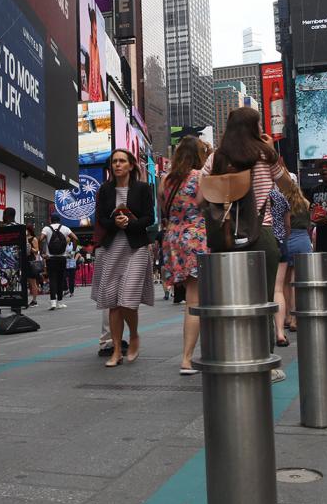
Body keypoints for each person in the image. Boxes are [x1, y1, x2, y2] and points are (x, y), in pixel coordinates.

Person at [201, 107, 296, 382]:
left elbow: (200, 195)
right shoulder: (265, 154)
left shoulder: (216, 157)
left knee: (227, 301)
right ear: (255, 127)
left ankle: (229, 357)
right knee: (262, 301)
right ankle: (263, 364)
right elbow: (288, 187)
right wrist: (273, 152)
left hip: (225, 235)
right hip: (260, 234)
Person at [92, 149, 155, 367]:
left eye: (122, 161)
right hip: (112, 247)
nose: (118, 165)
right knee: (113, 302)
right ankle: (116, 350)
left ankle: (134, 335)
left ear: (131, 165)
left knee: (127, 298)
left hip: (136, 246)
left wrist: (130, 223)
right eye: (114, 162)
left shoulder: (143, 189)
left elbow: (150, 217)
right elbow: (100, 218)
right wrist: (115, 223)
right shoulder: (105, 190)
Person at [160, 136, 208, 375]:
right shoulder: (200, 177)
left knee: (194, 298)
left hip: (173, 239)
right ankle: (187, 359)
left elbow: (164, 209)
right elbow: (203, 203)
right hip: (196, 238)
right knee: (195, 300)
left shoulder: (165, 181)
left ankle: (195, 354)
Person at [280, 178, 311, 334]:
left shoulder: (282, 201)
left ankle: (286, 317)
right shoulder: (305, 203)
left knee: (285, 282)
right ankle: (295, 318)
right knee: (297, 282)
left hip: (288, 238)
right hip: (303, 239)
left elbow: (283, 224)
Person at [269, 187, 291, 347]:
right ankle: (280, 333)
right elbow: (287, 225)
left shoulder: (252, 192)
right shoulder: (280, 196)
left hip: (260, 241)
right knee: (278, 289)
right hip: (280, 242)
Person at [42, 213, 77, 310]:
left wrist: (43, 252)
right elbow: (75, 238)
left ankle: (53, 302)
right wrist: (72, 252)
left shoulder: (46, 228)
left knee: (52, 279)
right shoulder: (65, 228)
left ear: (50, 220)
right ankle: (60, 302)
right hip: (62, 258)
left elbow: (41, 239)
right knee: (60, 279)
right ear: (59, 220)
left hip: (50, 258)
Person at [25, 224, 42, 306]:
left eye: (26, 229)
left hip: (30, 261)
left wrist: (30, 247)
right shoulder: (23, 238)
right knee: (25, 281)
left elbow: (37, 250)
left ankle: (34, 300)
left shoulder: (33, 238)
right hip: (23, 260)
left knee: (32, 282)